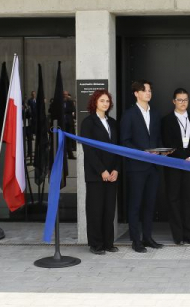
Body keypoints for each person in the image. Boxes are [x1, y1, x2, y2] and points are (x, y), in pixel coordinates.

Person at [120, 80, 165, 253]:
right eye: (144, 90)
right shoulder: (129, 114)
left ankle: (147, 237)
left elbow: (157, 138)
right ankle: (135, 240)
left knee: (149, 204)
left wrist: (161, 151)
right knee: (135, 204)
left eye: (149, 90)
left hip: (153, 167)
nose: (148, 93)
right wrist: (142, 152)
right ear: (136, 94)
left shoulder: (155, 114)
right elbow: (125, 141)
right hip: (136, 167)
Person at [80, 90, 120, 255]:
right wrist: (102, 170)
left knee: (109, 210)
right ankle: (96, 244)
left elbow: (119, 148)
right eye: (102, 100)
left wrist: (116, 169)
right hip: (96, 174)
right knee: (96, 210)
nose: (105, 103)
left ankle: (108, 243)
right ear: (95, 102)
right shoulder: (88, 122)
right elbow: (88, 150)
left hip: (112, 174)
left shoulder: (113, 123)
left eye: (107, 101)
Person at [161, 88, 190, 245]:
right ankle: (178, 236)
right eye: (179, 100)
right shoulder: (166, 120)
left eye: (185, 100)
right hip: (173, 165)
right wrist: (181, 158)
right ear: (173, 101)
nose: (183, 103)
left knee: (189, 199)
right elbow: (166, 143)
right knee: (174, 199)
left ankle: (189, 235)